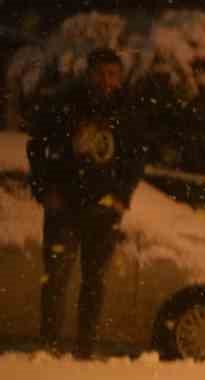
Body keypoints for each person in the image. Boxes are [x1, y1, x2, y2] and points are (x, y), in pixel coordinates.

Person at [25, 47, 148, 359]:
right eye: (102, 74)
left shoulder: (125, 112)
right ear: (89, 74)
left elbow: (135, 159)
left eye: (114, 75)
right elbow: (37, 148)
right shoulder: (64, 104)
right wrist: (46, 191)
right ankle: (49, 347)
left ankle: (85, 350)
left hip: (103, 209)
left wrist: (121, 197)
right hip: (63, 206)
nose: (108, 81)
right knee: (56, 280)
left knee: (94, 283)